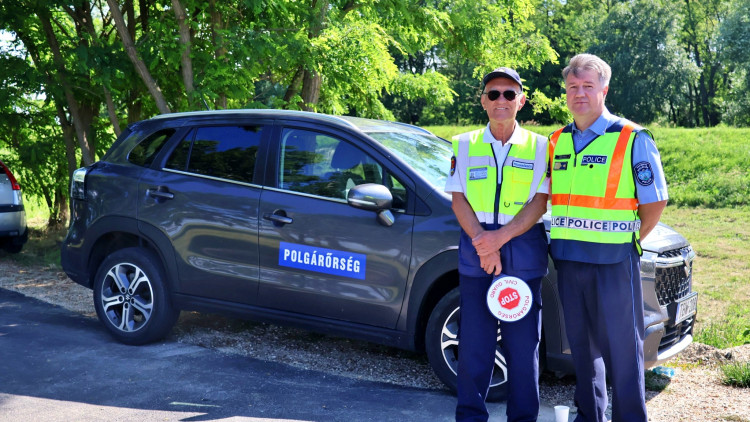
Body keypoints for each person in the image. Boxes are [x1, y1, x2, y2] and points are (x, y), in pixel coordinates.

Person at [548, 53, 668, 422]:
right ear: (565, 92)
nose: (579, 94)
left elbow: (655, 202)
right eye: (572, 87)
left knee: (623, 349)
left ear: (604, 89)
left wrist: (626, 240)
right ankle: (590, 415)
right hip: (569, 260)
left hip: (614, 261)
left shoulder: (632, 138)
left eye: (587, 86)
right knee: (582, 349)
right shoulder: (555, 142)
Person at [444, 67, 550, 422]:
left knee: (523, 350)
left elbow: (540, 201)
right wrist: (484, 246)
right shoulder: (463, 143)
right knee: (475, 346)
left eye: (509, 93)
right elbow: (458, 198)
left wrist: (498, 241)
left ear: (521, 99)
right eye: (493, 94)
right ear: (483, 101)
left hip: (521, 255)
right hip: (477, 255)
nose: (501, 100)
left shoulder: (541, 146)